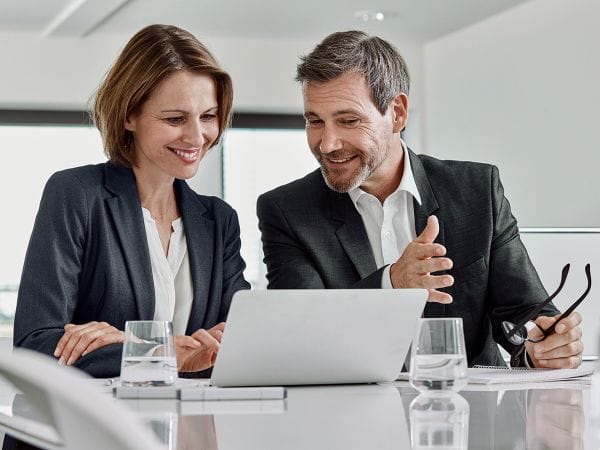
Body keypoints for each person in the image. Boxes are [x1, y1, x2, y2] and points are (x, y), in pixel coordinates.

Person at [257, 30, 583, 368]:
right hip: (349, 412)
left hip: (471, 411)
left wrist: (542, 343)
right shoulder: (286, 210)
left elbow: (524, 311)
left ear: (397, 112)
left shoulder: (477, 190)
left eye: (348, 120)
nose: (327, 144)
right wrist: (392, 283)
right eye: (314, 121)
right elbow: (300, 331)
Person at [14, 24, 250, 378]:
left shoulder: (218, 220)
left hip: (186, 427)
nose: (196, 136)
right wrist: (156, 351)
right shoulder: (78, 194)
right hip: (90, 428)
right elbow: (35, 344)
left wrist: (128, 341)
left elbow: (242, 338)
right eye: (175, 119)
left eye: (208, 117)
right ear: (129, 116)